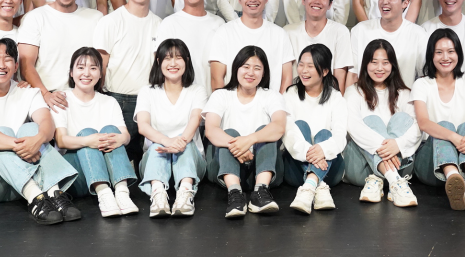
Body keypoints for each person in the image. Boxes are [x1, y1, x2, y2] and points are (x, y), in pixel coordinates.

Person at [0, 38, 79, 225]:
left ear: (15, 66)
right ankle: (36, 198)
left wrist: (37, 139)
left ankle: (53, 193)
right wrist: (21, 146)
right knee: (1, 132)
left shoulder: (28, 92)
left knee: (32, 129)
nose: (2, 65)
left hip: (16, 185)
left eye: (8, 59)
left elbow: (46, 123)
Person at [411, 29, 465, 211]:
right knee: (444, 126)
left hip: (464, 158)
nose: (445, 57)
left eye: (450, 51)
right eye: (439, 52)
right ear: (431, 55)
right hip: (431, 162)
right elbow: (424, 123)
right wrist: (454, 137)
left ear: (458, 54)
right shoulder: (422, 84)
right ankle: (453, 179)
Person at [52, 47, 138, 217]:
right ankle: (104, 194)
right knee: (87, 133)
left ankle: (122, 194)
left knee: (111, 130)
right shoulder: (61, 99)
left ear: (100, 74)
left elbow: (126, 136)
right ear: (71, 73)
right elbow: (61, 141)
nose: (86, 73)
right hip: (74, 173)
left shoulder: (109, 102)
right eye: (81, 67)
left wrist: (119, 138)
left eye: (93, 68)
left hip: (107, 171)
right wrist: (88, 140)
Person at [203, 46, 288, 218]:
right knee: (229, 133)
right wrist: (238, 147)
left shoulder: (271, 96)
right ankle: (235, 194)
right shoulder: (221, 95)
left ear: (264, 73)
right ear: (236, 68)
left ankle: (260, 192)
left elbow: (279, 126)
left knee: (266, 131)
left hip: (264, 170)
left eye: (257, 68)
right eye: (246, 67)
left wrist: (249, 140)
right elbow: (211, 130)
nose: (251, 72)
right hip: (225, 171)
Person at [93, 0, 161, 163]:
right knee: (118, 159)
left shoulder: (160, 24)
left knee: (144, 162)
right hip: (118, 99)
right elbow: (101, 63)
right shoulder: (110, 21)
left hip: (150, 100)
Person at [342, 40, 421, 207]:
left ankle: (383, 179)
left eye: (385, 62)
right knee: (372, 121)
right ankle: (395, 181)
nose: (380, 68)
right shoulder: (354, 92)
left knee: (402, 118)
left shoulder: (405, 94)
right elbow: (352, 126)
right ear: (365, 64)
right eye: (374, 62)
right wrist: (384, 147)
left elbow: (418, 127)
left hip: (401, 166)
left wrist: (398, 144)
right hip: (361, 170)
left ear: (392, 65)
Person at [18, 0, 103, 112]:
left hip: (86, 97)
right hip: (47, 97)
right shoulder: (35, 17)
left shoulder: (96, 18)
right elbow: (26, 64)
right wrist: (45, 95)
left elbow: (103, 61)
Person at [135, 39, 208, 217]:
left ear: (187, 61)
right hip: (154, 160)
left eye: (178, 58)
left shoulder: (197, 91)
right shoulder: (147, 92)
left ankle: (185, 193)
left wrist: (180, 142)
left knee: (187, 144)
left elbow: (195, 120)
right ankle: (158, 194)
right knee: (156, 146)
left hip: (191, 160)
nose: (173, 63)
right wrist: (167, 141)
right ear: (159, 62)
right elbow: (143, 126)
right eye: (167, 58)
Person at [283, 45, 347, 214]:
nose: (304, 70)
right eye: (301, 65)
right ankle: (318, 185)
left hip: (331, 171)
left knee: (325, 135)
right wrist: (312, 153)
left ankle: (309, 186)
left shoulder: (336, 97)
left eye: (310, 66)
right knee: (300, 126)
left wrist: (323, 149)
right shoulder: (290, 94)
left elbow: (340, 135)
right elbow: (288, 133)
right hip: (295, 169)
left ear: (325, 71)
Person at [209, 0, 294, 93]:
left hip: (271, 103)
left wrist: (277, 103)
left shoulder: (280, 34)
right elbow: (216, 78)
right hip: (232, 103)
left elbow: (287, 78)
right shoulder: (224, 32)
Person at [157, 0, 225, 95]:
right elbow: (162, 66)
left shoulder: (219, 24)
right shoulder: (169, 23)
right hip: (180, 100)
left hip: (212, 98)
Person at [348, 0, 427, 91]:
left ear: (405, 3)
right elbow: (353, 74)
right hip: (366, 98)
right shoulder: (360, 30)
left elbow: (423, 76)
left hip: (403, 99)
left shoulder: (418, 34)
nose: (384, 1)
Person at [283, 0, 353, 86]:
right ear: (303, 0)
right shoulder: (288, 32)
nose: (317, 1)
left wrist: (336, 97)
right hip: (295, 93)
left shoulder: (340, 32)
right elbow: (285, 76)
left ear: (330, 4)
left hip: (328, 94)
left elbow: (340, 77)